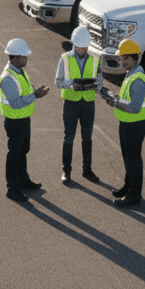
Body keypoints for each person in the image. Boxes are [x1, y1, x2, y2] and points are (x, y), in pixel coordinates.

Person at [0, 38, 49, 203]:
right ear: (15, 58)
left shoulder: (20, 71)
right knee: (14, 155)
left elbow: (24, 93)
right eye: (24, 57)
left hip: (24, 119)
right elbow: (15, 103)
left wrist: (35, 93)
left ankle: (23, 180)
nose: (26, 59)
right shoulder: (7, 78)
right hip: (15, 121)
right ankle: (12, 189)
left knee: (23, 150)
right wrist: (34, 96)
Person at [102, 39, 145, 207]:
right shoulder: (131, 74)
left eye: (124, 59)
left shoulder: (137, 79)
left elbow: (135, 108)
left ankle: (133, 195)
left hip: (134, 125)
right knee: (128, 158)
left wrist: (115, 103)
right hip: (128, 123)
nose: (121, 62)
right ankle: (128, 187)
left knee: (133, 160)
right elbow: (127, 101)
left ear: (133, 58)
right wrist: (114, 98)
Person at [55, 26, 99, 185]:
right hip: (71, 105)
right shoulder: (65, 59)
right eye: (80, 48)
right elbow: (58, 81)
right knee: (69, 138)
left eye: (85, 48)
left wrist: (93, 85)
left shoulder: (94, 59)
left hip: (88, 104)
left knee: (87, 138)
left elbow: (99, 81)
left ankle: (87, 170)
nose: (82, 51)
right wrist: (71, 85)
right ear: (74, 45)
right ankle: (66, 171)